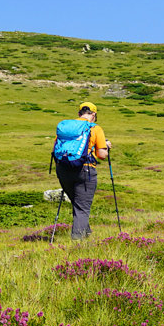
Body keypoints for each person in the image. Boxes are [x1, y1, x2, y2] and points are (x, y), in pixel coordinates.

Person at [55, 102, 110, 241]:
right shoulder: (95, 129)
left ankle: (87, 234)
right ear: (94, 114)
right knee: (82, 207)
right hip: (85, 169)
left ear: (79, 113)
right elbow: (102, 155)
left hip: (63, 169)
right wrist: (107, 146)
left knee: (78, 204)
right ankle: (77, 242)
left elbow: (57, 148)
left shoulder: (65, 128)